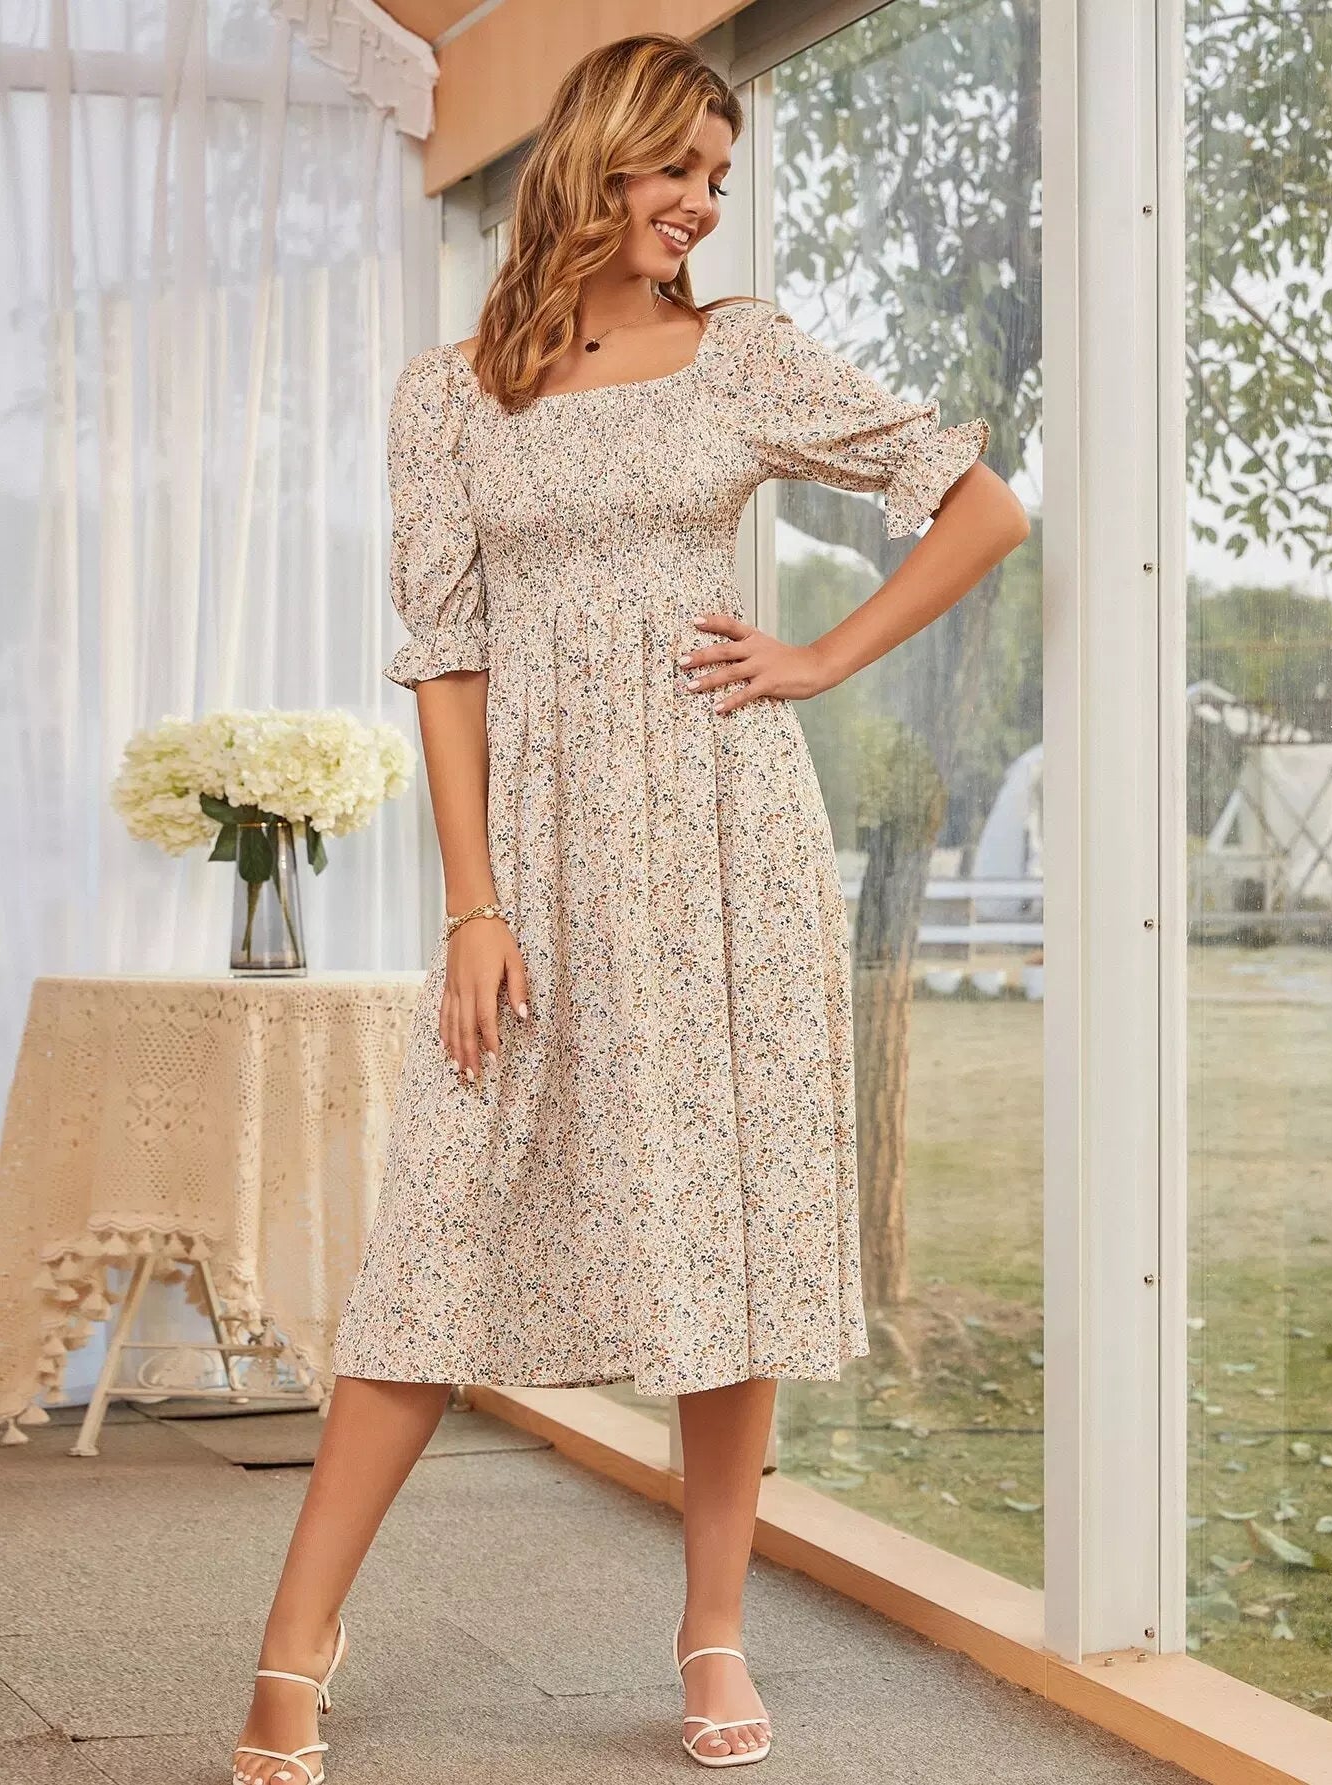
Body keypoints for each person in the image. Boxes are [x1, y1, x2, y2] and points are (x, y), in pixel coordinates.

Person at [231, 30, 1028, 1784]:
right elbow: (447, 657)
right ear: (595, 156)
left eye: (718, 180)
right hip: (538, 859)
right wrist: (474, 904)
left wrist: (819, 657)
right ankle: (296, 1637)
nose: (699, 205)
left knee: (722, 1229)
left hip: (723, 847)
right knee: (435, 1232)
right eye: (678, 167)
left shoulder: (742, 356)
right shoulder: (448, 397)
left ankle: (712, 1627)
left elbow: (983, 511)